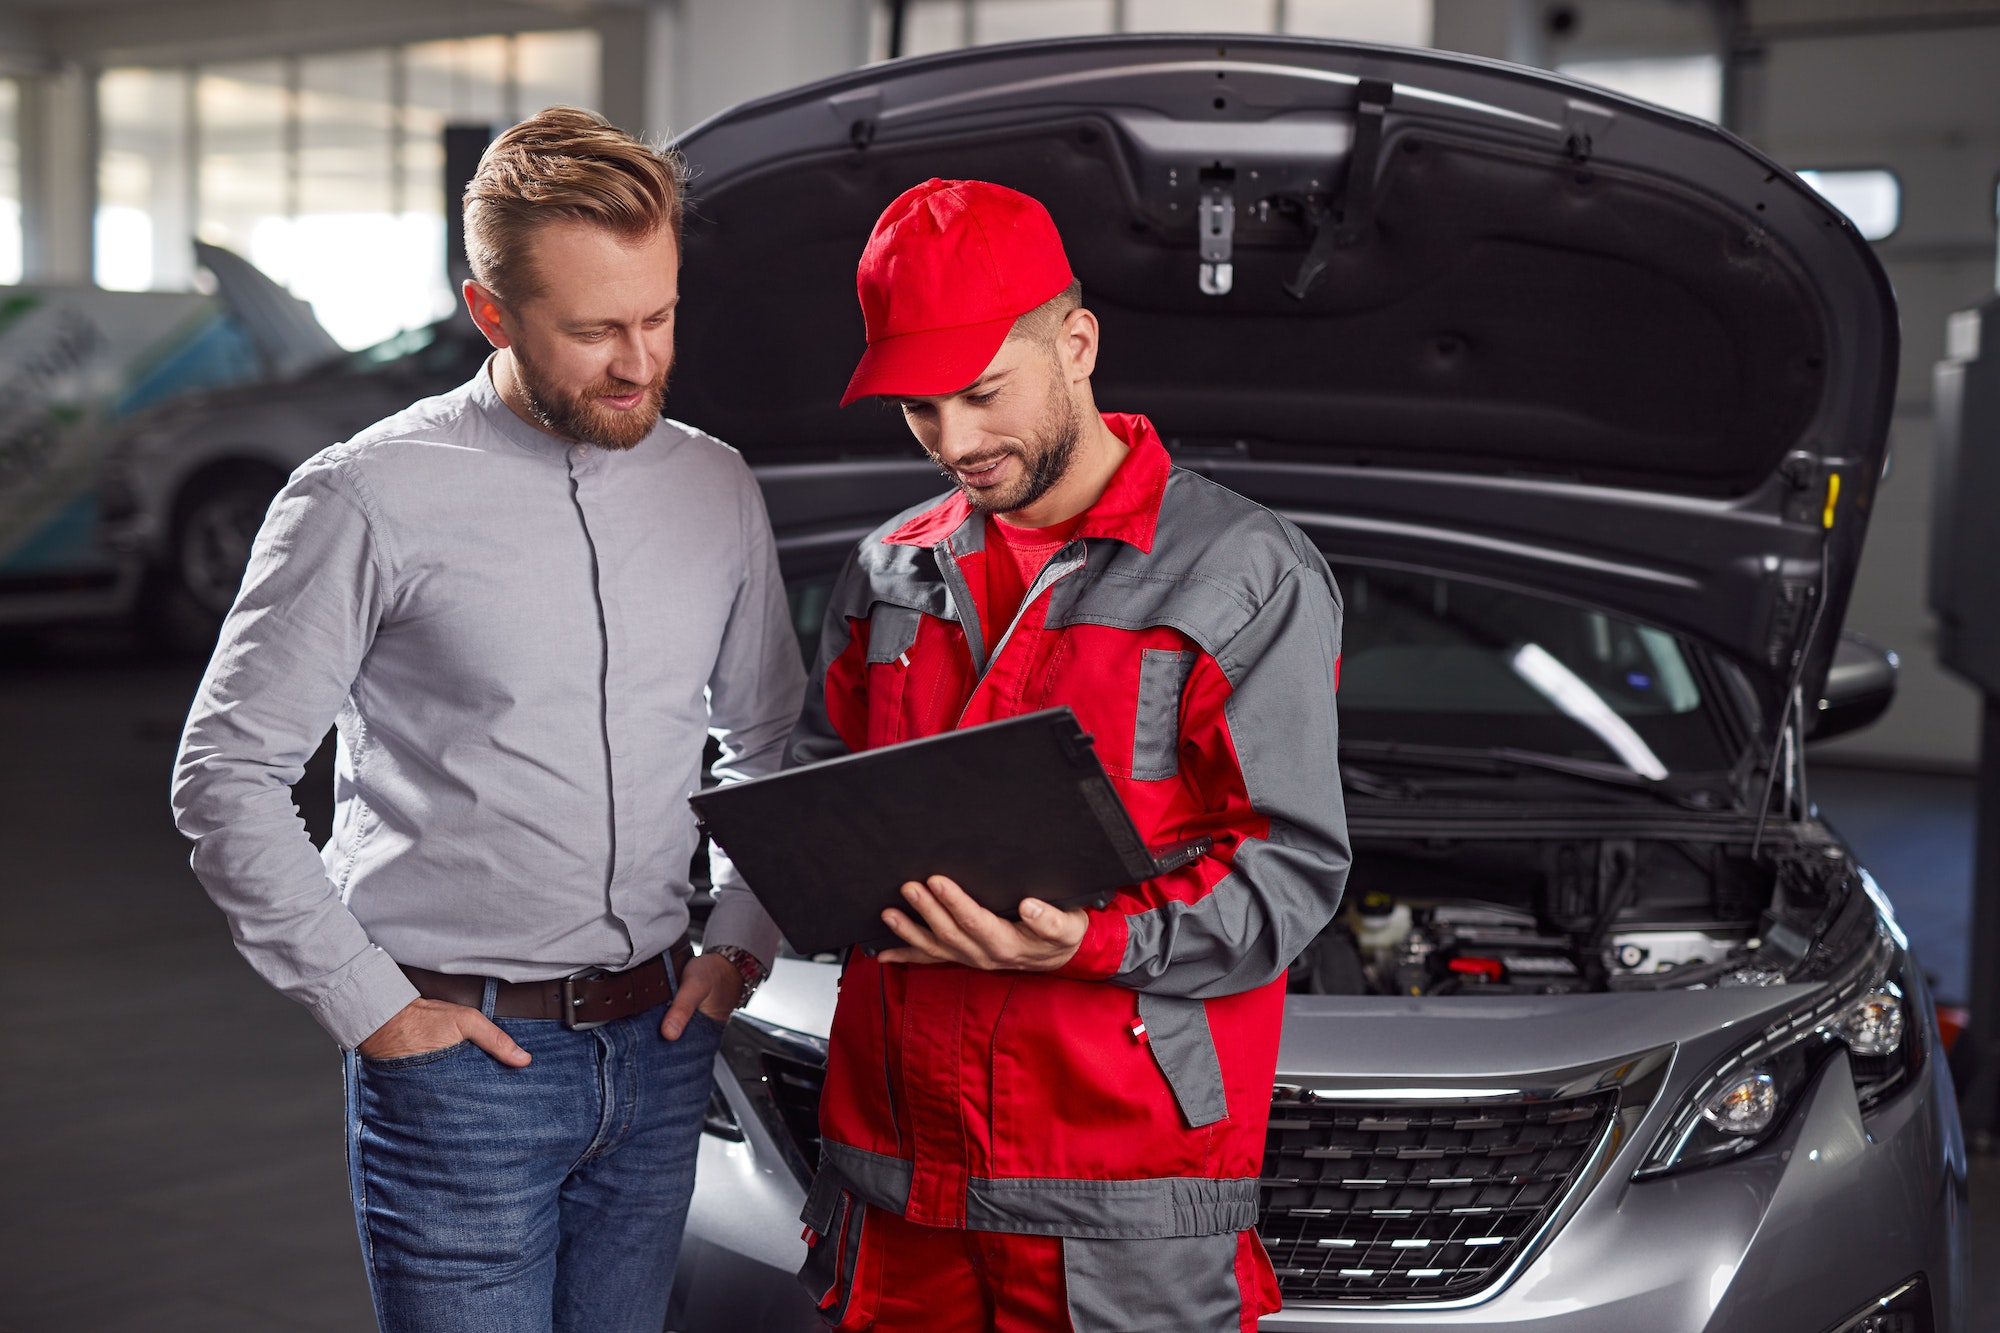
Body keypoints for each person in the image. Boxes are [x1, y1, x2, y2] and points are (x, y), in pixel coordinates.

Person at [170, 108, 804, 1333]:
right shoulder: (363, 497)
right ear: (491, 312)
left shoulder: (715, 485)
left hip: (667, 1042)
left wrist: (740, 935)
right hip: (461, 1067)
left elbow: (767, 746)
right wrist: (370, 1005)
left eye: (658, 318)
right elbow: (227, 773)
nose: (637, 363)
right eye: (593, 331)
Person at [789, 178, 1351, 1332]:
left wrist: (1091, 941)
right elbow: (811, 796)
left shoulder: (1241, 573)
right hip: (893, 1171)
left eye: (981, 394)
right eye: (916, 411)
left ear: (1077, 344)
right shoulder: (887, 568)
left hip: (1120, 1186)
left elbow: (1288, 876)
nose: (953, 443)